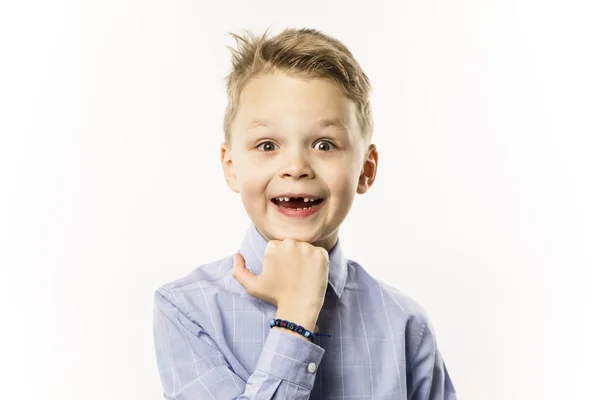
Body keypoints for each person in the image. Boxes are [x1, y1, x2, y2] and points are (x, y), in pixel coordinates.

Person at [153, 27, 457, 399]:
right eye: (267, 145)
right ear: (231, 166)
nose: (296, 166)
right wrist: (296, 317)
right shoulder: (187, 310)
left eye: (324, 144)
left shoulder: (406, 325)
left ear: (366, 169)